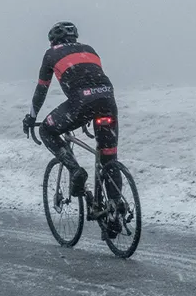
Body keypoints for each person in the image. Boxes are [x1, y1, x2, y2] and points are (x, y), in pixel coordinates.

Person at [22, 22, 122, 237]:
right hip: (107, 101)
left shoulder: (50, 54)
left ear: (53, 40)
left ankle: (75, 170)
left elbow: (41, 90)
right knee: (108, 159)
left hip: (81, 103)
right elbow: (91, 78)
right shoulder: (89, 50)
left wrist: (31, 118)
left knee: (47, 131)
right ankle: (115, 211)